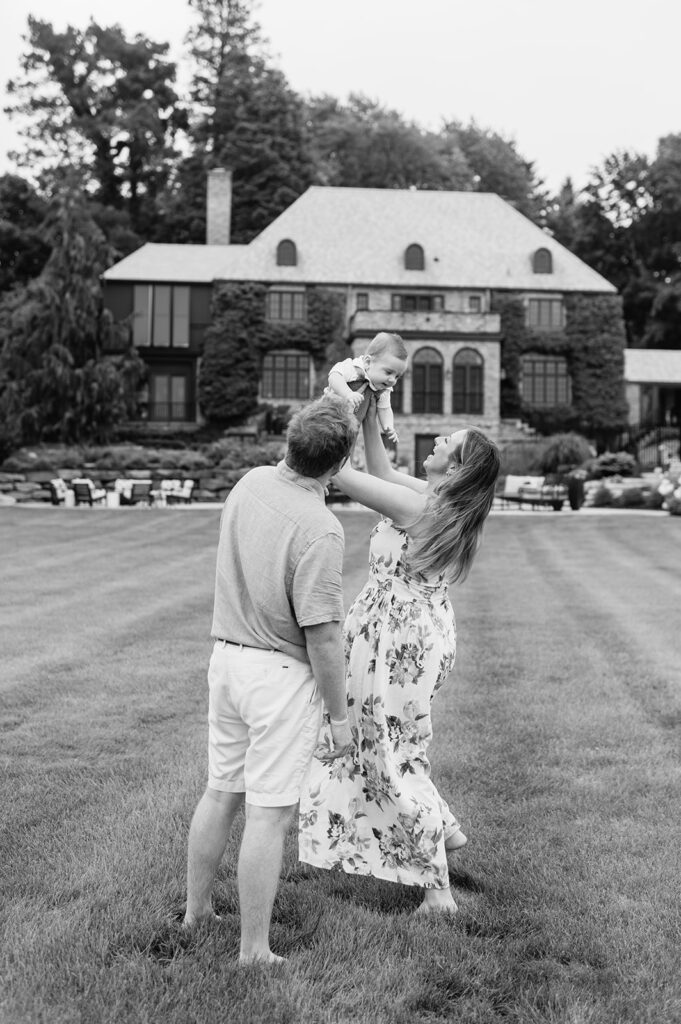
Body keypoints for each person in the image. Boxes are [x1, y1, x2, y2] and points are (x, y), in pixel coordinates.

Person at [299, 398, 500, 914]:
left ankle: (438, 890)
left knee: (393, 751)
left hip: (400, 641)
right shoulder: (433, 496)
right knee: (392, 737)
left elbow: (343, 474)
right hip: (405, 632)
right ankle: (445, 831)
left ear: (455, 468)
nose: (436, 440)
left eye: (447, 444)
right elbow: (381, 468)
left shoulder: (424, 507)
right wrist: (369, 410)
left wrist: (337, 403)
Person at [183, 396, 358, 963]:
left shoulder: (250, 481)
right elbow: (324, 636)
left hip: (226, 663)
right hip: (277, 677)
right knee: (268, 814)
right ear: (339, 465)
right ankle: (253, 950)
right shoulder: (321, 529)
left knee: (221, 790)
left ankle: (196, 912)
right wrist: (339, 716)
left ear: (288, 443)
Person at [325, 332, 408, 442]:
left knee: (345, 453)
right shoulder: (354, 369)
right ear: (368, 362)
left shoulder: (383, 390)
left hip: (349, 431)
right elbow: (334, 376)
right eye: (388, 372)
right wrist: (347, 393)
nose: (392, 380)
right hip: (327, 419)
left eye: (397, 376)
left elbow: (385, 409)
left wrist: (389, 427)